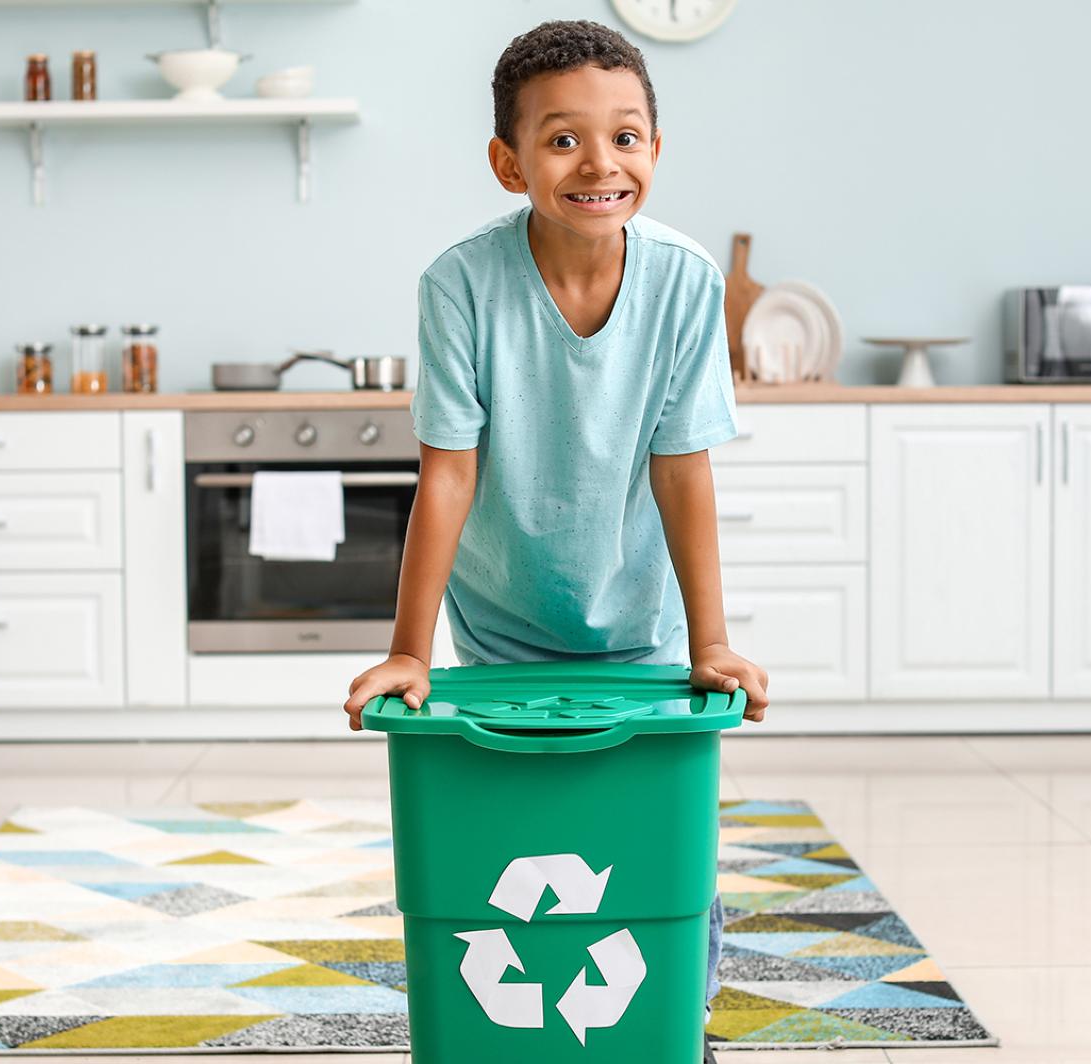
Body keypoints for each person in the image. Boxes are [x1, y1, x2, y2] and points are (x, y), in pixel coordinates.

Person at [340, 18, 769, 1061]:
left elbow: (682, 468)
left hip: (640, 617)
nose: (599, 163)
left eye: (625, 137)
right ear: (509, 162)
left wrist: (709, 642)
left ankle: (679, 1020)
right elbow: (447, 472)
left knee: (665, 846)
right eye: (564, 139)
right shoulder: (461, 285)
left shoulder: (682, 280)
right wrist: (410, 648)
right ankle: (520, 1017)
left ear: (655, 153)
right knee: (529, 823)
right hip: (503, 617)